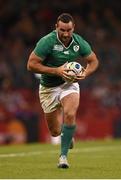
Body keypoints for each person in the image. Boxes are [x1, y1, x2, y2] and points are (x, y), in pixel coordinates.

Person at [27, 13, 99, 168]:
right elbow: (31, 65)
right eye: (62, 30)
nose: (66, 34)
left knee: (70, 113)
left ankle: (63, 157)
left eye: (69, 30)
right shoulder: (47, 42)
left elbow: (93, 61)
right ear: (56, 27)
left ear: (74, 28)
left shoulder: (79, 42)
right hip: (48, 88)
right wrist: (57, 71)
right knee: (54, 132)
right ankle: (67, 135)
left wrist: (85, 72)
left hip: (69, 84)